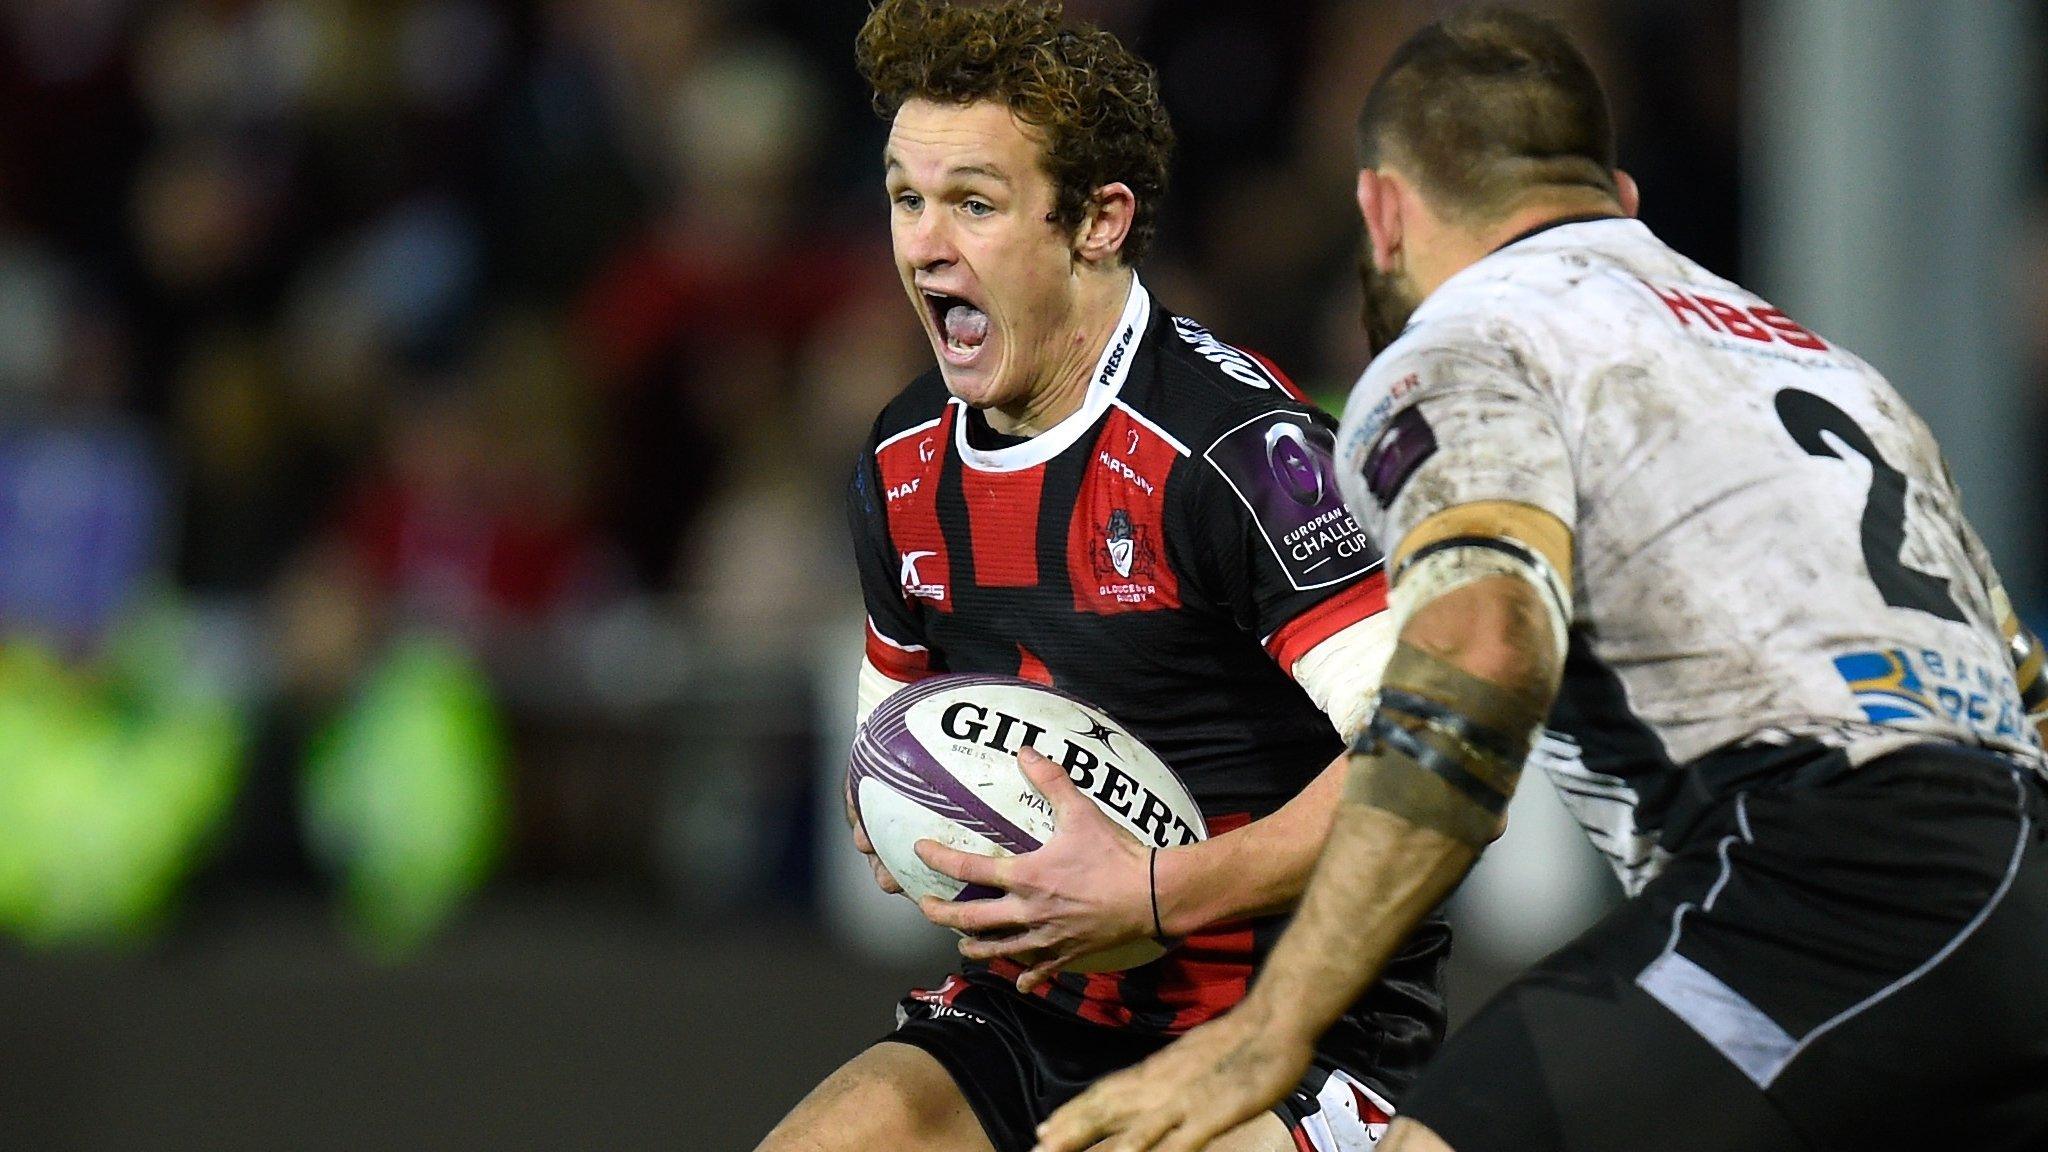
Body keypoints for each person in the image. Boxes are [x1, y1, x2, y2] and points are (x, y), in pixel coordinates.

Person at [1035, 8, 2048, 1152]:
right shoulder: (1831, 373)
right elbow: (2022, 692)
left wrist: (1273, 1024)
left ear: (1380, 207)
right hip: (2011, 904)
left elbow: (1482, 652)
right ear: (1616, 200)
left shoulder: (1463, 345)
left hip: (1816, 886)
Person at [754, 3, 1453, 1151]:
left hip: (1287, 1033)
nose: (924, 245)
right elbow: (900, 736)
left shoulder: (1240, 459)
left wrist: (1149, 897)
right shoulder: (899, 462)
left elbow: (1432, 771)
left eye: (973, 203)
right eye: (904, 197)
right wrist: (908, 814)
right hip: (1034, 1016)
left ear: (1096, 222)